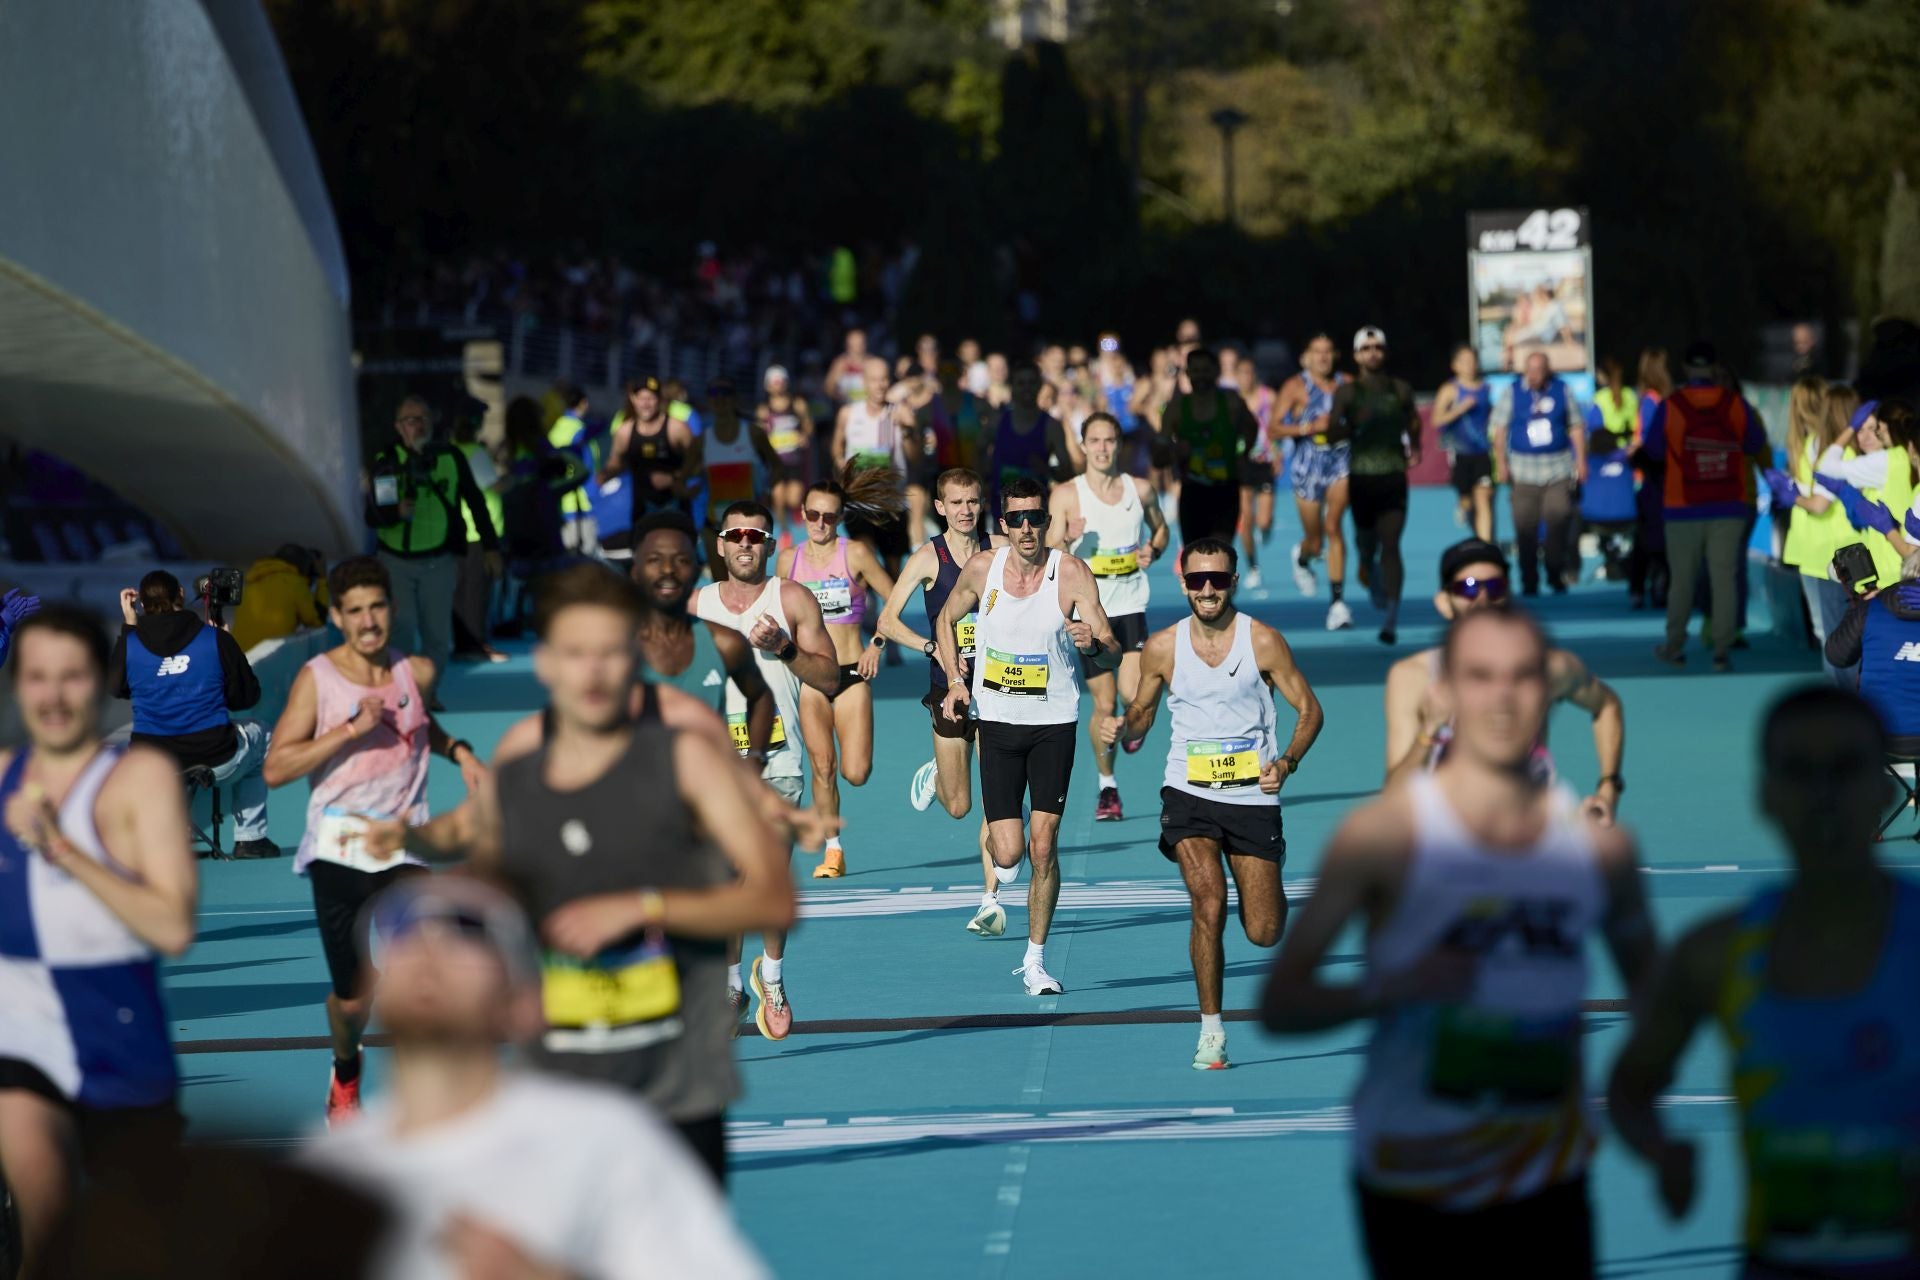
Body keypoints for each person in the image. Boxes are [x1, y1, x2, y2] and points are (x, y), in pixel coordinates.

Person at [365, 563, 795, 1185]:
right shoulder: (520, 756)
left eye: (609, 652)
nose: (593, 671)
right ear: (545, 664)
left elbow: (773, 897)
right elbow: (474, 845)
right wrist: (410, 841)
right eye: (575, 653)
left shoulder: (691, 756)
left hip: (676, 1069)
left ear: (636, 655)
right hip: (563, 1071)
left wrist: (642, 910)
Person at [1261, 607, 1657, 1277]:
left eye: (1522, 676)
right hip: (1414, 1178)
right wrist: (1389, 987)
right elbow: (1281, 1002)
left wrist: (1642, 1115)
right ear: (1446, 693)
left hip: (1547, 1177)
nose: (1502, 697)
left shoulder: (1599, 849)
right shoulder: (1382, 836)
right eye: (1479, 676)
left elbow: (1657, 998)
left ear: (1548, 687)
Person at [303, 877, 771, 1280]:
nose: (430, 946)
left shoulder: (606, 1140)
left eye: (467, 930)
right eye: (402, 929)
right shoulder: (334, 1168)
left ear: (522, 1001)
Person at [1609, 687, 1920, 1280]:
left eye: (1846, 769)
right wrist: (1660, 1150)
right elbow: (1629, 1087)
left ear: (1885, 790)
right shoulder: (1715, 955)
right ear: (1765, 796)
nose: (1823, 795)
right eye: (1799, 772)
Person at [0, 604, 196, 1272]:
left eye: (73, 676)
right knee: (47, 1228)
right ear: (17, 685)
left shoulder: (137, 780)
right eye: (37, 678)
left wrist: (62, 849)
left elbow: (172, 927)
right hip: (19, 1041)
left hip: (119, 1038)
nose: (54, 697)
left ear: (100, 680)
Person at [262, 555, 487, 1125]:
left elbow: (417, 725)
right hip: (339, 849)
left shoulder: (416, 671)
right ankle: (345, 1066)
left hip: (406, 844)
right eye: (355, 611)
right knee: (355, 1001)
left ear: (391, 609)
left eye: (377, 607)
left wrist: (458, 751)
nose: (368, 622)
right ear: (337, 616)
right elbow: (275, 768)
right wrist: (348, 731)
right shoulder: (318, 680)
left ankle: (442, 1100)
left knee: (438, 975)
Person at [1104, 539, 1322, 1070]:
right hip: (1188, 793)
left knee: (1264, 931)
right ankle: (1211, 1032)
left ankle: (1269, 880)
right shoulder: (1162, 648)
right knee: (1208, 902)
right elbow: (1143, 715)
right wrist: (1122, 727)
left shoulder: (1263, 642)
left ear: (1233, 582)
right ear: (1182, 583)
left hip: (1252, 797)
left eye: (1218, 580)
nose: (1207, 589)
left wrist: (1287, 763)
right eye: (1198, 580)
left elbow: (1310, 710)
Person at [936, 476, 1121, 996]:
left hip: (1052, 723)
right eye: (1015, 519)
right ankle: (1001, 857)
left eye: (1034, 518)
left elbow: (1112, 649)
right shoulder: (981, 569)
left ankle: (1036, 960)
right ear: (1003, 525)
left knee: (1044, 846)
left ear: (1047, 522)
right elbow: (945, 621)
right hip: (995, 722)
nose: (1025, 529)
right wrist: (955, 679)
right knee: (1009, 852)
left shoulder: (1072, 574)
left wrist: (1092, 645)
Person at [695, 500, 839, 1037]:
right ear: (721, 545)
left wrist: (783, 647)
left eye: (755, 536)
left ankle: (772, 977)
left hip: (779, 759)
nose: (745, 544)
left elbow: (828, 678)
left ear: (770, 544)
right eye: (735, 535)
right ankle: (733, 983)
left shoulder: (792, 599)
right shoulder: (698, 605)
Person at [1383, 539, 1626, 823]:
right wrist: (1428, 732)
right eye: (1469, 588)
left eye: (1495, 587)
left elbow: (1607, 705)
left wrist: (1608, 789)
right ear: (1444, 602)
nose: (1483, 600)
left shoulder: (1547, 668)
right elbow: (1394, 798)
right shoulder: (1413, 676)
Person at [875, 468, 1007, 932]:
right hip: (946, 690)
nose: (966, 511)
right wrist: (932, 647)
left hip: (1000, 689)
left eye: (972, 501)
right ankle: (936, 771)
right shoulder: (929, 558)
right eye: (956, 503)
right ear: (940, 508)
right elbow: (888, 621)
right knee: (958, 807)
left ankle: (990, 899)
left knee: (1000, 801)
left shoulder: (1002, 548)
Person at [1049, 412, 1170, 822]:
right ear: (1083, 446)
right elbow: (1045, 550)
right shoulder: (1067, 495)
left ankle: (1134, 726)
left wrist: (1153, 549)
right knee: (1103, 703)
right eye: (1094, 440)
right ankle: (1108, 788)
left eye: (1109, 440)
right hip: (1089, 612)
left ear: (1120, 445)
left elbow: (1162, 530)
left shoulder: (1140, 489)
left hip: (1131, 605)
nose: (1102, 448)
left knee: (1135, 696)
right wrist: (1067, 536)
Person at [108, 570, 276, 859]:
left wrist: (129, 627)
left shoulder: (131, 644)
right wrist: (227, 647)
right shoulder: (213, 639)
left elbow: (116, 687)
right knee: (261, 733)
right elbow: (246, 698)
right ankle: (250, 838)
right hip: (215, 757)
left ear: (141, 604)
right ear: (181, 596)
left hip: (152, 762)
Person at [778, 477, 899, 878]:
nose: (820, 523)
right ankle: (833, 851)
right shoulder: (788, 560)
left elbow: (895, 598)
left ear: (840, 517)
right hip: (811, 677)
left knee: (855, 773)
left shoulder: (856, 554)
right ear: (803, 515)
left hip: (851, 672)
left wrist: (876, 645)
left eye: (829, 516)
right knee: (822, 767)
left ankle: (835, 841)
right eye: (812, 515)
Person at [364, 395, 503, 707]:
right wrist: (395, 512)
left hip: (439, 559)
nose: (418, 425)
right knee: (402, 628)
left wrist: (491, 547)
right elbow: (371, 514)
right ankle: (402, 694)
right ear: (398, 427)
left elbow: (476, 503)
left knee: (438, 636)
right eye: (410, 420)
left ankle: (427, 692)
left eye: (423, 418)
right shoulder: (386, 460)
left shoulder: (450, 457)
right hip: (396, 560)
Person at [1645, 341, 1770, 672]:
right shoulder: (1735, 404)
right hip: (1729, 504)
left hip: (1681, 505)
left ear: (1685, 369)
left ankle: (1674, 645)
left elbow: (1654, 450)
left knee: (1682, 581)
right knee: (1724, 579)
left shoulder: (1671, 405)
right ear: (1715, 368)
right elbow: (1756, 444)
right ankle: (1721, 651)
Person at [1328, 326, 1420, 644]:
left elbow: (1414, 421)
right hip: (1362, 479)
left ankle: (1392, 618)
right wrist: (1351, 426)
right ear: (1356, 356)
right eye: (1366, 348)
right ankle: (1368, 566)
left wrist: (1416, 447)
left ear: (1386, 352)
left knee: (1392, 545)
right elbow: (1331, 432)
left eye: (1378, 347)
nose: (1372, 353)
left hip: (1393, 477)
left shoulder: (1400, 390)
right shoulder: (1348, 393)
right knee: (1367, 547)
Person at [1765, 377, 1857, 685]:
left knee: (1834, 634)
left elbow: (1819, 503)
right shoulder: (1811, 445)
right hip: (1815, 550)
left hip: (1831, 551)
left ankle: (1847, 704)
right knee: (1829, 632)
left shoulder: (1831, 449)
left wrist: (1795, 495)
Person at [1273, 334, 1352, 626]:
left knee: (1334, 526)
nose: (1323, 357)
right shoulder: (1296, 387)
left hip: (1340, 462)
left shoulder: (1347, 384)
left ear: (1336, 355)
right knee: (1316, 541)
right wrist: (1308, 426)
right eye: (1317, 352)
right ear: (1307, 357)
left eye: (1328, 351)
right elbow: (1274, 429)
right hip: (1307, 466)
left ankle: (1338, 604)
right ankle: (1303, 557)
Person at [1493, 351, 1585, 598]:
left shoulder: (1562, 390)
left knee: (1558, 520)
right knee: (1525, 529)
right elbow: (1499, 429)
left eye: (1539, 369)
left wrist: (1581, 461)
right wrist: (1501, 463)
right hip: (1523, 471)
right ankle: (1529, 579)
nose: (1534, 375)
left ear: (1548, 370)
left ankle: (1556, 573)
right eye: (1530, 369)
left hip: (1558, 469)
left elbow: (1576, 426)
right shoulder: (1512, 392)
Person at [683, 378, 785, 580]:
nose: (720, 399)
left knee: (749, 582)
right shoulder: (702, 440)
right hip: (715, 524)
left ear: (735, 399)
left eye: (726, 393)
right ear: (709, 401)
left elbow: (778, 466)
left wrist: (766, 490)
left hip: (750, 524)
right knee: (721, 585)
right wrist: (688, 490)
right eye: (714, 394)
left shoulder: (753, 433)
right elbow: (681, 479)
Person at [831, 356, 920, 574]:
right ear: (864, 382)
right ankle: (868, 606)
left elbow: (915, 458)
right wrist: (841, 462)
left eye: (884, 379)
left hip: (892, 504)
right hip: (859, 503)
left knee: (892, 573)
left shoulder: (901, 412)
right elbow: (836, 447)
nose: (880, 385)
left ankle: (888, 607)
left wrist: (907, 431)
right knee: (864, 560)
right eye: (874, 380)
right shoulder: (848, 414)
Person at [1163, 346, 1259, 544]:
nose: (1201, 377)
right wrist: (1175, 451)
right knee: (1194, 555)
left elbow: (1252, 427)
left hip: (1225, 489)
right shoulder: (1177, 408)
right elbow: (1158, 455)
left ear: (1217, 371)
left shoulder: (1231, 402)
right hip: (1192, 491)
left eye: (1206, 370)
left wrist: (1243, 454)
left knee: (1221, 553)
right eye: (1196, 371)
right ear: (1187, 373)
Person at [980, 361, 1080, 518]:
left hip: (1035, 515)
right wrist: (984, 478)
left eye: (1032, 382)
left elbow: (1067, 472)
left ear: (1040, 385)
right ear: (1012, 386)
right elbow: (978, 451)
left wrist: (1047, 470)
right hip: (1002, 513)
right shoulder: (998, 422)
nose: (1027, 388)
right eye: (1021, 383)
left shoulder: (1051, 426)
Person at [450, 410, 511, 662]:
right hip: (478, 531)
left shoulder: (453, 451)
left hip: (460, 529)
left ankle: (466, 645)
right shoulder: (475, 453)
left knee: (462, 592)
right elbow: (494, 486)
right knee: (476, 592)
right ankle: (475, 645)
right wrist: (516, 477)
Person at [601, 376, 694, 532]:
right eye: (641, 398)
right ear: (633, 399)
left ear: (659, 399)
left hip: (675, 508)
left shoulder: (676, 429)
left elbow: (699, 463)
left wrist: (674, 478)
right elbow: (616, 463)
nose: (646, 404)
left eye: (650, 398)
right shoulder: (624, 432)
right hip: (642, 510)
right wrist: (606, 473)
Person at [1431, 344, 1496, 542]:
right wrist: (1459, 409)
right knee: (1469, 502)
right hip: (1460, 453)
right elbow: (1436, 420)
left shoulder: (1487, 388)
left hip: (1484, 452)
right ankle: (1467, 513)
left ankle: (1486, 546)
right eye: (1464, 361)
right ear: (1455, 366)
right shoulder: (1450, 389)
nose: (1470, 365)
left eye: (1472, 360)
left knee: (1484, 498)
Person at [1234, 356, 1281, 586]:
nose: (1246, 378)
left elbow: (1274, 427)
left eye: (1249, 373)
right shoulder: (1232, 400)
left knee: (1263, 520)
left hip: (1264, 461)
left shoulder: (1267, 397)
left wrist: (1278, 453)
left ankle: (1265, 529)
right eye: (1241, 373)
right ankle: (1252, 566)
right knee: (1246, 519)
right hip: (1241, 464)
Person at [231, 545, 325, 653]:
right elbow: (317, 621)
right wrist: (322, 581)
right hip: (268, 658)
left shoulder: (252, 582)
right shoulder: (295, 583)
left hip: (239, 655)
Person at [756, 364, 815, 538]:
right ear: (767, 385)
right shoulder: (764, 409)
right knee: (779, 498)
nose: (777, 385)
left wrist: (805, 435)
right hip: (775, 462)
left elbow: (808, 424)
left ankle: (792, 521)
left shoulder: (797, 404)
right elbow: (758, 433)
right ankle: (784, 531)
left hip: (794, 460)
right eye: (774, 382)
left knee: (794, 499)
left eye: (780, 381)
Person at [545, 383, 600, 554]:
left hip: (561, 503)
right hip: (581, 504)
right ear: (583, 403)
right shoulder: (581, 432)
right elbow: (587, 468)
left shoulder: (555, 430)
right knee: (585, 561)